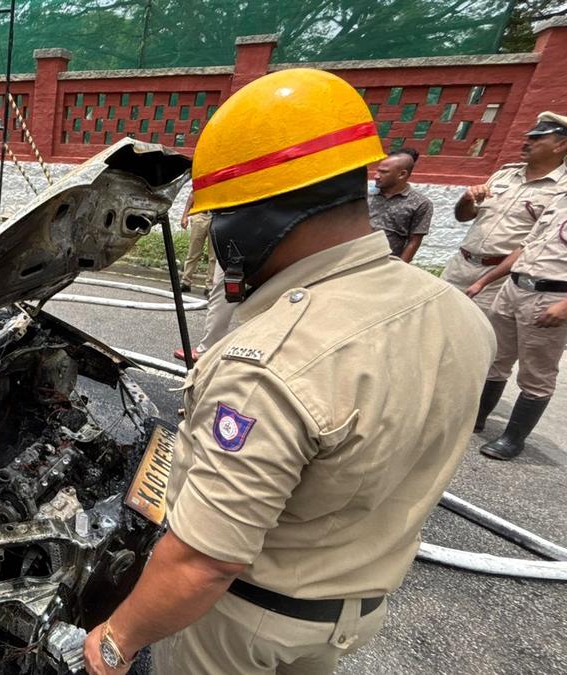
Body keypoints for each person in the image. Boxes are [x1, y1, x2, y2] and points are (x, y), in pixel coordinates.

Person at [82, 69, 495, 675]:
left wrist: (117, 638)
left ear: (254, 219)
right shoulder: (457, 313)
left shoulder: (270, 363)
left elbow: (204, 562)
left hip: (239, 624)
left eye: (220, 216)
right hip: (348, 613)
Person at [467, 190, 567, 460]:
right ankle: (475, 419)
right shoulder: (560, 198)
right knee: (496, 358)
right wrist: (484, 281)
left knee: (536, 373)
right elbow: (524, 248)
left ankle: (513, 439)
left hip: (553, 297)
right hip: (514, 287)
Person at [441, 111, 567, 311]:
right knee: (437, 321)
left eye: (536, 138)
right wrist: (466, 200)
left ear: (560, 145)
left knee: (482, 335)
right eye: (528, 137)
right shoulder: (504, 175)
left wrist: (485, 281)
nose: (527, 142)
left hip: (499, 278)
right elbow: (463, 217)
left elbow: (535, 243)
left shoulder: (562, 189)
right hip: (460, 266)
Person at [368, 150, 433, 262]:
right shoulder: (366, 195)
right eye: (377, 171)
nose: (376, 176)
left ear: (402, 174)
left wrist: (400, 267)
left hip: (387, 262)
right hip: (357, 259)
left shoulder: (420, 203)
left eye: (384, 172)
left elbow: (414, 241)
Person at [179, 192, 211, 292]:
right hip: (201, 215)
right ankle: (185, 282)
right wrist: (185, 216)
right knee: (193, 252)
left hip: (216, 216)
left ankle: (210, 286)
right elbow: (193, 194)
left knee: (214, 255)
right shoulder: (202, 177)